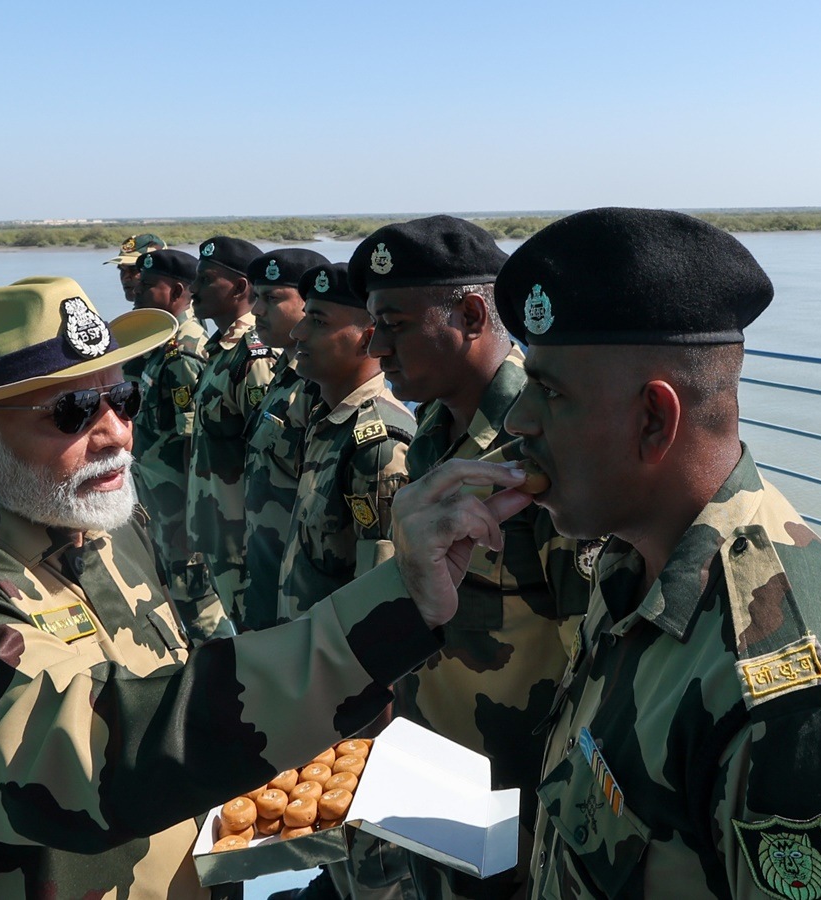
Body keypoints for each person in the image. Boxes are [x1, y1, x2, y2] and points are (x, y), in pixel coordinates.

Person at [0, 276, 490, 899]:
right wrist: (382, 617)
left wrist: (350, 785)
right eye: (72, 410)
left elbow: (174, 703)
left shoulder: (110, 530)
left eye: (123, 398)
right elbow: (90, 759)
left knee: (482, 818)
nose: (113, 432)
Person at [488, 207, 821, 899]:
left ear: (655, 420)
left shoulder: (797, 714)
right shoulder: (630, 565)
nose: (518, 419)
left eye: (550, 392)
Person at [356, 216, 595, 900]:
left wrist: (555, 834)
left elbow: (594, 660)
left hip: (516, 810)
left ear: (467, 315)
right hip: (438, 777)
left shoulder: (541, 454)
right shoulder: (433, 433)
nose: (376, 348)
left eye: (394, 325)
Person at [274, 264, 419, 900]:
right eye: (304, 316)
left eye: (320, 321)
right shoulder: (328, 422)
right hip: (320, 669)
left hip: (352, 682)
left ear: (365, 337)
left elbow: (384, 592)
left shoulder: (378, 442)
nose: (299, 332)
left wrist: (372, 722)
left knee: (367, 835)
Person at [129, 248, 227, 642]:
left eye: (149, 287)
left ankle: (226, 684)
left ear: (178, 291)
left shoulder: (185, 351)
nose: (138, 293)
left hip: (179, 506)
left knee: (197, 604)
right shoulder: (163, 343)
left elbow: (191, 443)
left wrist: (192, 518)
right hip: (159, 500)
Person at [240, 247, 328, 630]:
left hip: (300, 593)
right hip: (265, 573)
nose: (257, 310)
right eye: (256, 297)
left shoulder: (319, 387)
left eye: (272, 298)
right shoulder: (284, 372)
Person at [187, 235, 273, 627]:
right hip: (217, 527)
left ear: (240, 287)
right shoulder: (220, 349)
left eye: (206, 280)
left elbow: (266, 454)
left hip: (243, 535)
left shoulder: (254, 355)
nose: (194, 289)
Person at [107, 233, 169, 381]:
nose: (125, 277)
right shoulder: (141, 317)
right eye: (121, 270)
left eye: (134, 270)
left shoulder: (177, 322)